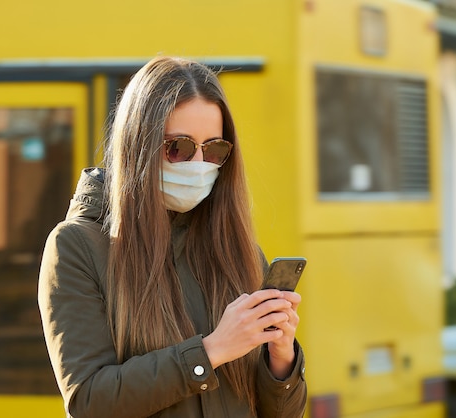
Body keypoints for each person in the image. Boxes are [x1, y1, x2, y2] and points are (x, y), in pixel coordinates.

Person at [38, 56, 307, 418]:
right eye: (178, 147)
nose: (198, 164)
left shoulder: (236, 250)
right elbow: (90, 401)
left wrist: (282, 359)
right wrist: (212, 350)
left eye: (214, 150)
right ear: (138, 147)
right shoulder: (76, 247)